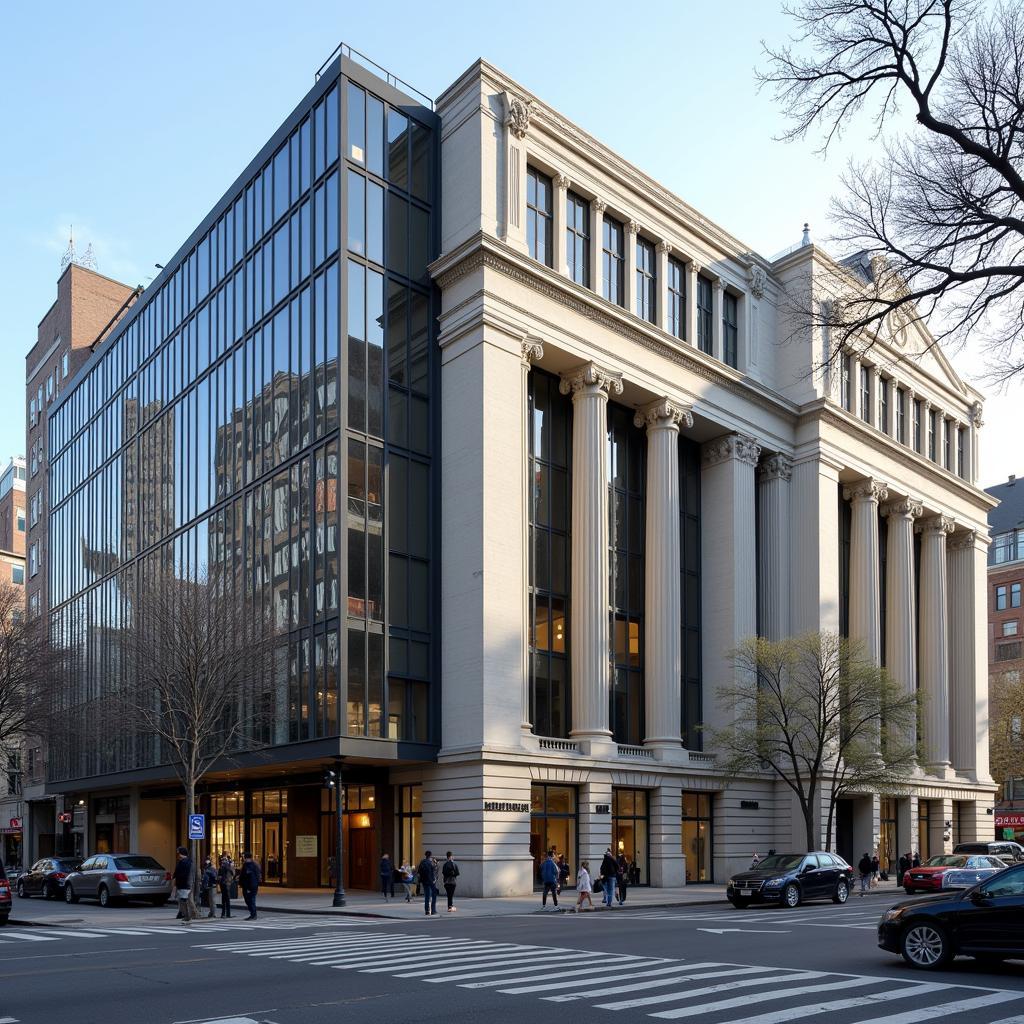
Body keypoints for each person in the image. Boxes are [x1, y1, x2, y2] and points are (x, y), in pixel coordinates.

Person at [172, 846, 193, 924]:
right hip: (183, 884)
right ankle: (186, 916)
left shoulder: (185, 862)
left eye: (179, 853)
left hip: (184, 884)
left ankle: (187, 917)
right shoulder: (185, 862)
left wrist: (176, 879)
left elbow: (181, 874)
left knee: (183, 901)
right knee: (183, 901)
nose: (178, 855)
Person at [239, 851, 262, 920]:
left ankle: (253, 914)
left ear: (247, 858)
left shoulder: (252, 866)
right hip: (247, 886)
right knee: (248, 900)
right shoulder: (246, 865)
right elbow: (243, 875)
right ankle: (252, 914)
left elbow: (251, 877)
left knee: (251, 900)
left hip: (250, 886)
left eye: (244, 857)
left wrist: (249, 887)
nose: (243, 859)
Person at [417, 850, 438, 916]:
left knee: (427, 896)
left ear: (425, 855)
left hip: (424, 882)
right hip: (430, 882)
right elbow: (433, 872)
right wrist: (436, 864)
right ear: (430, 856)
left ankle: (427, 911)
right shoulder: (430, 863)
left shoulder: (422, 862)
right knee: (434, 895)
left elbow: (419, 872)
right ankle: (433, 910)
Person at [217, 853, 235, 918]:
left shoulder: (222, 867)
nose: (223, 861)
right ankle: (227, 914)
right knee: (227, 899)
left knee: (224, 899)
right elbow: (233, 874)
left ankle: (223, 914)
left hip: (223, 884)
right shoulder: (228, 867)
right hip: (226, 884)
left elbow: (219, 876)